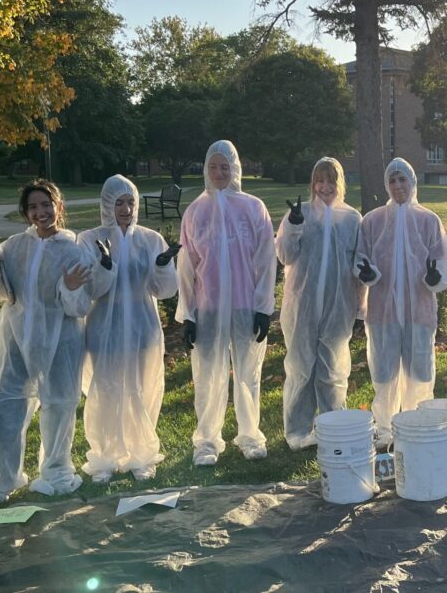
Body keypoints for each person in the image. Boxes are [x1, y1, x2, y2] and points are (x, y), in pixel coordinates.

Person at [0, 179, 102, 506]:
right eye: (32, 207)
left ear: (59, 207)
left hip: (61, 340)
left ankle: (55, 472)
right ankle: (1, 479)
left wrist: (71, 286)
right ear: (25, 213)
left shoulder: (75, 251)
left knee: (59, 404)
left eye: (45, 205)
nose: (40, 212)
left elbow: (79, 307)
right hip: (15, 338)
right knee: (4, 404)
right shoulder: (13, 247)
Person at [176, 140, 276, 464]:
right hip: (208, 306)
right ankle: (207, 441)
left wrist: (263, 307)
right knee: (207, 375)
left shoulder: (253, 208)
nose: (219, 173)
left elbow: (265, 261)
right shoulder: (195, 212)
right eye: (213, 167)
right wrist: (188, 313)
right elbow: (187, 266)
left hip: (245, 305)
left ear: (235, 169)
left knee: (248, 372)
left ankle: (250, 435)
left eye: (225, 167)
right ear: (206, 169)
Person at [78, 175, 180, 482]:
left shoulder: (150, 239)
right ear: (107, 205)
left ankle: (141, 454)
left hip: (142, 324)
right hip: (104, 326)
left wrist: (162, 266)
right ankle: (105, 457)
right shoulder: (89, 239)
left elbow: (164, 290)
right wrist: (105, 266)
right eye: (119, 203)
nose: (126, 210)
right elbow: (90, 290)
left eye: (131, 202)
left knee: (142, 387)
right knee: (106, 390)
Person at [357, 158, 447, 446]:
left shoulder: (428, 220)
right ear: (386, 185)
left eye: (403, 179)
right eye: (392, 180)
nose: (398, 186)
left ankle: (417, 427)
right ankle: (385, 429)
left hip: (418, 309)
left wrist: (435, 277)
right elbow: (361, 257)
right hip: (382, 310)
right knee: (384, 374)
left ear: (412, 182)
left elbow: (442, 261)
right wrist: (366, 273)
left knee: (420, 372)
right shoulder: (373, 221)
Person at [275, 157, 363, 450]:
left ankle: (332, 424)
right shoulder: (299, 215)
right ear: (313, 183)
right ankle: (298, 431)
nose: (325, 187)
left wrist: (361, 304)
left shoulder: (351, 219)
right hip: (302, 305)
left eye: (331, 181)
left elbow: (359, 262)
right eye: (320, 181)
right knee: (301, 367)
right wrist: (293, 226)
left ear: (340, 184)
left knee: (332, 369)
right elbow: (285, 255)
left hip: (339, 306)